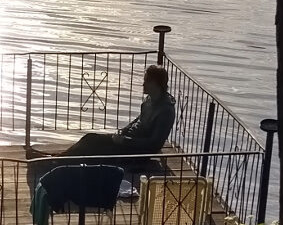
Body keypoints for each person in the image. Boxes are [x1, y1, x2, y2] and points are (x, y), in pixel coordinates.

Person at [31, 65, 176, 158]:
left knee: (94, 151)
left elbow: (154, 145)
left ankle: (52, 160)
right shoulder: (149, 100)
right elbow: (139, 119)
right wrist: (123, 131)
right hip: (127, 139)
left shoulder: (166, 111)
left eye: (147, 81)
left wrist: (125, 141)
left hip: (136, 150)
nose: (143, 84)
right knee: (90, 138)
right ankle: (54, 157)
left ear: (156, 84)